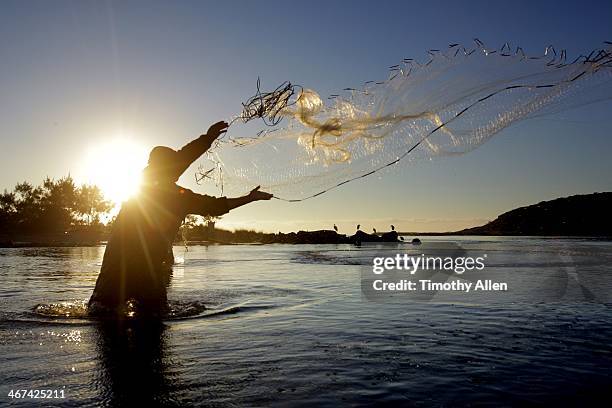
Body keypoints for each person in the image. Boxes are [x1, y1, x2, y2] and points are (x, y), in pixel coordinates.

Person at [88, 121, 272, 316]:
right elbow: (216, 204)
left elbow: (215, 203)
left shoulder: (144, 186)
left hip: (118, 267)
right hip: (145, 271)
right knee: (151, 322)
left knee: (101, 314)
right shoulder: (175, 195)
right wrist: (207, 139)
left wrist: (208, 139)